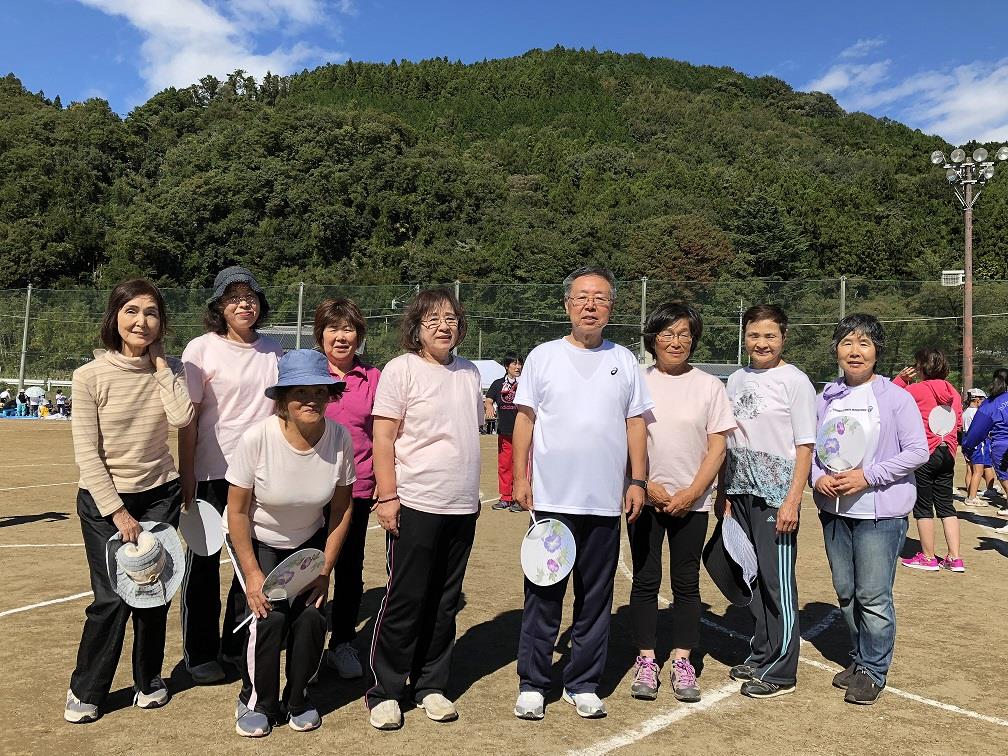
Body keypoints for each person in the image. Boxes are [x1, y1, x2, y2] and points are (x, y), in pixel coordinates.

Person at [512, 266, 652, 721]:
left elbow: (636, 424)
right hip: (552, 502)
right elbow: (525, 420)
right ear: (567, 304)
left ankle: (583, 683)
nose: (590, 305)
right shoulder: (543, 356)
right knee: (543, 594)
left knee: (596, 597)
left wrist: (637, 480)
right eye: (582, 297)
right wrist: (520, 477)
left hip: (603, 502)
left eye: (601, 298)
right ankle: (533, 683)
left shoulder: (626, 360)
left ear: (611, 308)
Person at [64, 279, 194, 724]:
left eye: (152, 312)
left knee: (153, 592)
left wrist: (160, 368)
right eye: (132, 311)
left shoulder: (171, 370)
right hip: (105, 502)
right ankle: (86, 689)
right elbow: (87, 453)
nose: (142, 321)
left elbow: (181, 418)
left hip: (160, 494)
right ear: (115, 317)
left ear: (162, 322)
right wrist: (117, 511)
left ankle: (149, 679)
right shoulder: (89, 377)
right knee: (113, 599)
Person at [366, 288, 483, 731]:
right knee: (406, 597)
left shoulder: (470, 373)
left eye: (451, 318)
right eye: (433, 318)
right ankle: (387, 690)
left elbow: (468, 433)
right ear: (416, 326)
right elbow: (384, 438)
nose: (444, 325)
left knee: (445, 601)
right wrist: (388, 495)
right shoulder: (401, 370)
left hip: (461, 505)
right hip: (415, 502)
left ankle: (431, 684)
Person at [225, 349, 355, 737]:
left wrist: (325, 569)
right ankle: (258, 701)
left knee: (312, 615)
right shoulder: (257, 439)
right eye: (299, 391)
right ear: (282, 399)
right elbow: (236, 513)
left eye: (320, 391)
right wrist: (251, 573)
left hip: (308, 542)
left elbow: (342, 509)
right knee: (270, 616)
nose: (310, 399)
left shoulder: (339, 438)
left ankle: (299, 698)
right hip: (259, 538)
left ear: (331, 395)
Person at [812, 314, 929, 704]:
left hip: (880, 515)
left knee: (873, 596)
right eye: (847, 342)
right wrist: (817, 478)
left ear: (877, 351)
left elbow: (917, 451)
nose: (855, 351)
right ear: (836, 350)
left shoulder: (897, 398)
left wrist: (869, 476)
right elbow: (812, 449)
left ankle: (874, 671)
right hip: (835, 511)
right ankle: (860, 658)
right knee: (846, 593)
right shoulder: (826, 396)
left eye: (864, 343)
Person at [178, 266, 283, 684]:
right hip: (210, 473)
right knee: (203, 566)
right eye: (234, 297)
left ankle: (236, 645)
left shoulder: (274, 350)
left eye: (251, 296)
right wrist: (188, 475)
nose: (244, 304)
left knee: (251, 564)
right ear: (219, 306)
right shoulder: (200, 349)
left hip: (260, 476)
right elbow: (187, 420)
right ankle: (200, 653)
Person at [628, 303, 735, 703]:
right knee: (645, 578)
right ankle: (645, 659)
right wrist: (644, 483)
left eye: (684, 335)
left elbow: (717, 445)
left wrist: (694, 492)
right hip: (644, 497)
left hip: (693, 503)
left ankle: (683, 661)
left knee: (686, 583)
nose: (676, 342)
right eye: (667, 334)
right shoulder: (636, 382)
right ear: (652, 339)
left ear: (694, 340)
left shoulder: (710, 386)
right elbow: (624, 438)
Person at [717, 303, 816, 699]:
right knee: (753, 578)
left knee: (778, 584)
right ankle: (761, 654)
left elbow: (805, 446)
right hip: (741, 491)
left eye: (770, 336)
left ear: (784, 338)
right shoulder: (736, 378)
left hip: (777, 495)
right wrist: (724, 491)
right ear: (745, 337)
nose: (762, 343)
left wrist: (793, 500)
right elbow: (729, 439)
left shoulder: (796, 381)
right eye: (755, 335)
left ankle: (782, 671)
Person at [313, 298, 381, 679]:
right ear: (320, 334)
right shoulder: (306, 374)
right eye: (333, 329)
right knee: (306, 568)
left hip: (355, 492)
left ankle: (341, 644)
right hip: (306, 493)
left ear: (359, 335)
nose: (341, 337)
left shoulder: (373, 378)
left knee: (349, 570)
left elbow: (382, 435)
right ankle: (305, 642)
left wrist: (381, 484)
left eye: (349, 329)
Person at [894, 348, 964, 572]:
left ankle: (927, 557)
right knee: (946, 505)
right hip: (948, 452)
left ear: (921, 367)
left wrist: (901, 379)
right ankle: (955, 557)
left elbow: (890, 401)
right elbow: (959, 423)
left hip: (925, 452)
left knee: (923, 506)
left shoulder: (915, 390)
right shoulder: (953, 391)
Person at [962, 369, 1008, 517]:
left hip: (1001, 445)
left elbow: (977, 430)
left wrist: (967, 447)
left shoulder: (990, 404)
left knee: (1006, 479)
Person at [485, 354, 523, 512]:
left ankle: (520, 499)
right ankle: (506, 498)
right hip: (505, 432)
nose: (518, 367)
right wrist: (489, 406)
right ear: (506, 366)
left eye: (520, 364)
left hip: (523, 433)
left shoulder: (526, 383)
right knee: (505, 466)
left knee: (522, 466)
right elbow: (488, 399)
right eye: (514, 364)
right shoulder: (498, 384)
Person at [961, 388, 995, 507]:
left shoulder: (965, 412)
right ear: (977, 399)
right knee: (978, 471)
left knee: (970, 469)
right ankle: (972, 497)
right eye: (982, 399)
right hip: (976, 442)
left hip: (966, 441)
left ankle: (970, 494)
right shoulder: (977, 413)